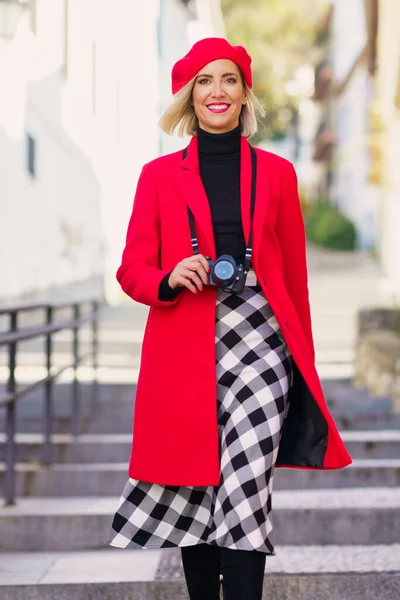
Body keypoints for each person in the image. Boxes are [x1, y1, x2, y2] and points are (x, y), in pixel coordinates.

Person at [108, 37, 352, 600]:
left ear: (245, 93)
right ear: (190, 97)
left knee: (246, 494)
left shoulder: (278, 174)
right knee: (195, 492)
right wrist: (169, 277)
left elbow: (295, 281)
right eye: (204, 81)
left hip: (261, 342)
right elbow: (131, 269)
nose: (217, 91)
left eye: (228, 79)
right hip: (183, 344)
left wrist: (302, 368)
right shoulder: (158, 176)